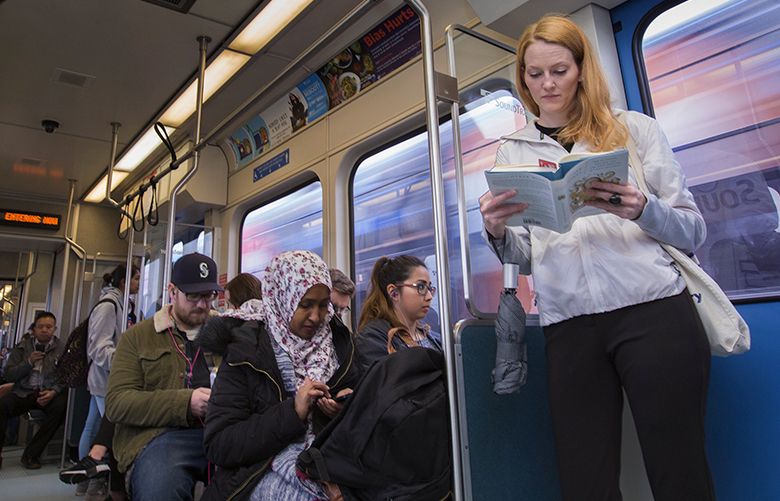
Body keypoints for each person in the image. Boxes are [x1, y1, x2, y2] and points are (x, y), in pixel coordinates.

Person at [478, 15, 713, 500]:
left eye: (559, 70)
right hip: (570, 325)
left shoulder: (634, 130)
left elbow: (693, 231)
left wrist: (643, 209)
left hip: (653, 311)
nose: (546, 84)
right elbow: (524, 258)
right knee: (585, 478)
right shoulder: (511, 155)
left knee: (678, 469)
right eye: (533, 73)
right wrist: (496, 231)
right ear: (521, 76)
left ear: (582, 69)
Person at [199, 250, 361, 501]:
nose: (317, 317)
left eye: (323, 305)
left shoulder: (340, 345)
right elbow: (220, 445)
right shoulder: (246, 353)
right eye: (305, 305)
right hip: (259, 469)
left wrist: (346, 405)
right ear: (282, 299)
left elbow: (359, 399)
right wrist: (293, 413)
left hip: (333, 458)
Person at [105, 253, 222, 501]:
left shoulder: (228, 332)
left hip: (223, 432)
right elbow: (117, 403)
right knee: (162, 489)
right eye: (192, 295)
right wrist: (185, 403)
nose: (202, 304)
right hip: (160, 436)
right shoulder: (136, 339)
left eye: (208, 295)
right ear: (172, 291)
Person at [73, 264, 139, 497]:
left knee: (92, 429)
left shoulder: (120, 305)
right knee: (109, 432)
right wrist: (127, 362)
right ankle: (95, 483)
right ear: (124, 282)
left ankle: (84, 481)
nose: (138, 284)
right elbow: (99, 349)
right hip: (105, 379)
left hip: (104, 378)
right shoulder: (108, 306)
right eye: (136, 279)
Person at [0, 311, 66, 470]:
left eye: (49, 327)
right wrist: (29, 362)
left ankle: (31, 455)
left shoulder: (61, 348)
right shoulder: (22, 347)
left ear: (54, 329)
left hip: (46, 393)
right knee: (1, 406)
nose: (45, 330)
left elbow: (65, 376)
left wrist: (54, 392)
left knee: (60, 408)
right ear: (34, 329)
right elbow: (9, 374)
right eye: (41, 327)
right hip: (23, 391)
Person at [356, 255, 442, 372]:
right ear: (394, 293)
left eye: (429, 288)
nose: (429, 296)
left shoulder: (432, 336)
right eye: (420, 287)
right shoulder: (373, 339)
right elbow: (390, 386)